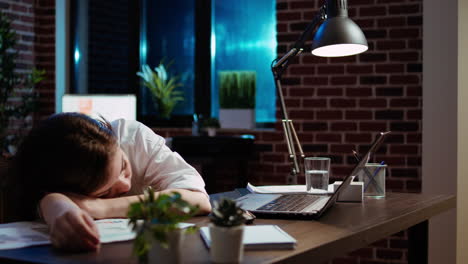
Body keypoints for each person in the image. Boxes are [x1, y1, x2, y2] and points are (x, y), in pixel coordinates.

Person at [12, 112, 211, 252]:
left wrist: (99, 206)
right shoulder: (55, 174)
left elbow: (197, 199)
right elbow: (45, 200)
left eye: (123, 165)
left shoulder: (133, 137)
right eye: (105, 192)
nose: (125, 185)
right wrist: (54, 203)